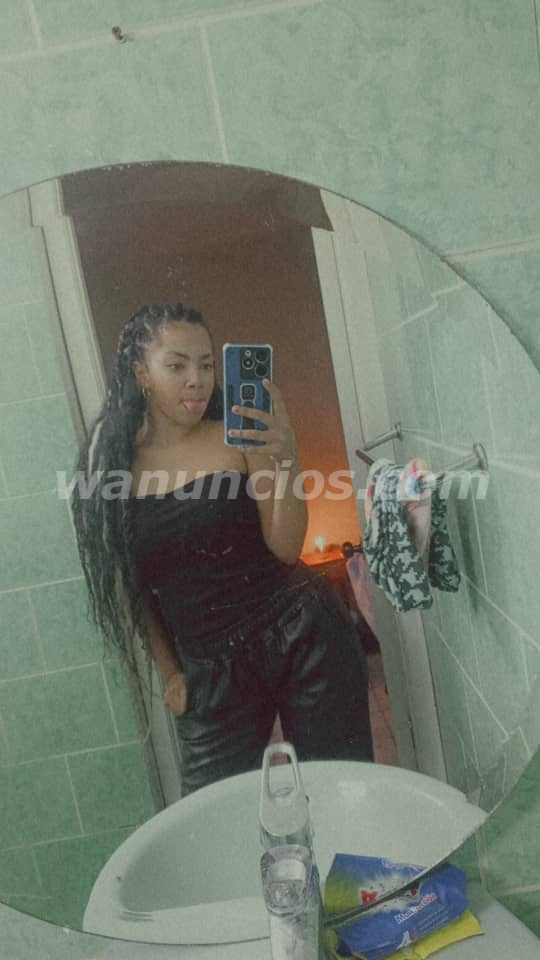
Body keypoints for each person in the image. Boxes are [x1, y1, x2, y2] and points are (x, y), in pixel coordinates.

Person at [72, 303, 373, 795]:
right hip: (210, 670)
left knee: (338, 790)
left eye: (206, 364)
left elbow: (286, 546)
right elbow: (133, 588)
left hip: (303, 634)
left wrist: (287, 456)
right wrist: (171, 672)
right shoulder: (114, 472)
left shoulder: (239, 437)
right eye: (177, 365)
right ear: (142, 373)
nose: (197, 380)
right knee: (211, 810)